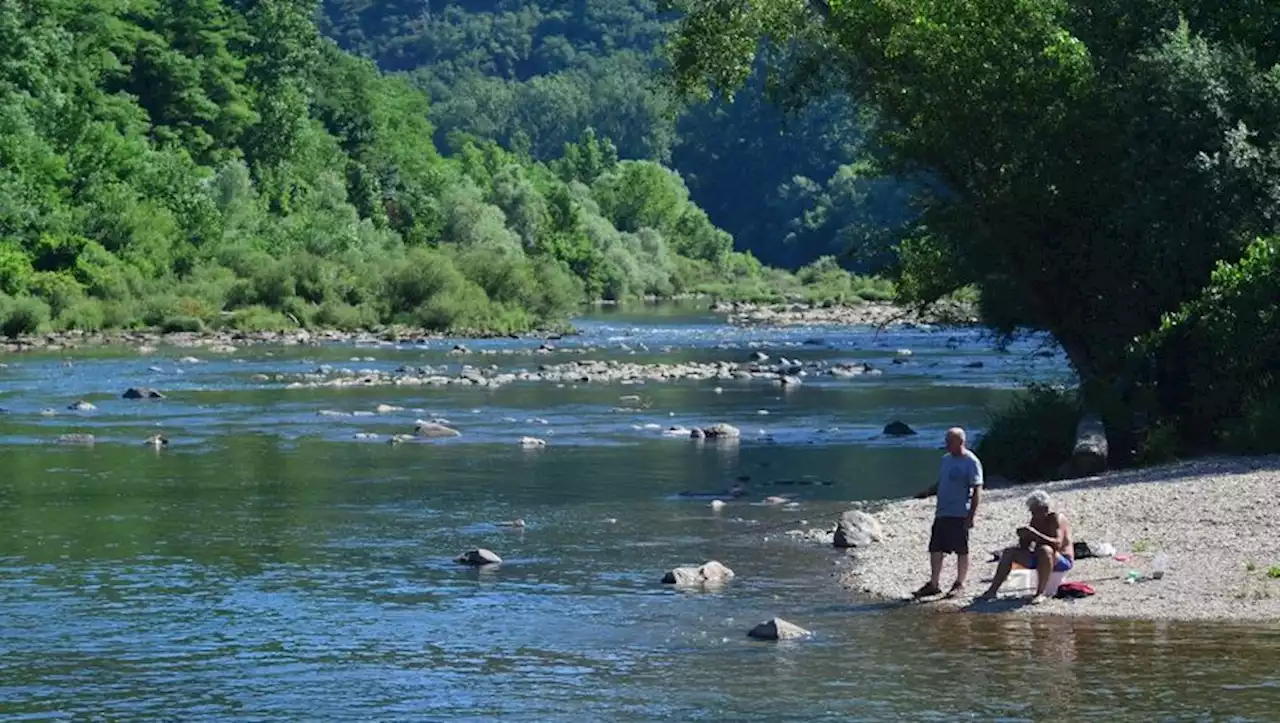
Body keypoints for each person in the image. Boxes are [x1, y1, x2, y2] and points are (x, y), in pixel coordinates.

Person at [913, 427, 984, 599]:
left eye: (949, 442)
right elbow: (942, 483)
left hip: (960, 512)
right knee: (935, 548)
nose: (946, 445)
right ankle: (934, 584)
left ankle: (959, 583)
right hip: (942, 511)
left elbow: (977, 490)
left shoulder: (971, 461)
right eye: (946, 441)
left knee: (961, 549)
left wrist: (971, 516)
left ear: (960, 442)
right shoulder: (946, 460)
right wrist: (927, 491)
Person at [977, 490, 1074, 605]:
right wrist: (1024, 537)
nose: (1033, 515)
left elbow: (1057, 544)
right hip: (1041, 558)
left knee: (1045, 550)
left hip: (1062, 559)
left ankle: (1040, 593)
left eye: (1036, 511)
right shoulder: (1035, 520)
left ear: (1045, 508)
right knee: (1009, 552)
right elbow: (1026, 547)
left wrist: (1035, 534)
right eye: (1032, 512)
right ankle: (992, 590)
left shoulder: (1056, 519)